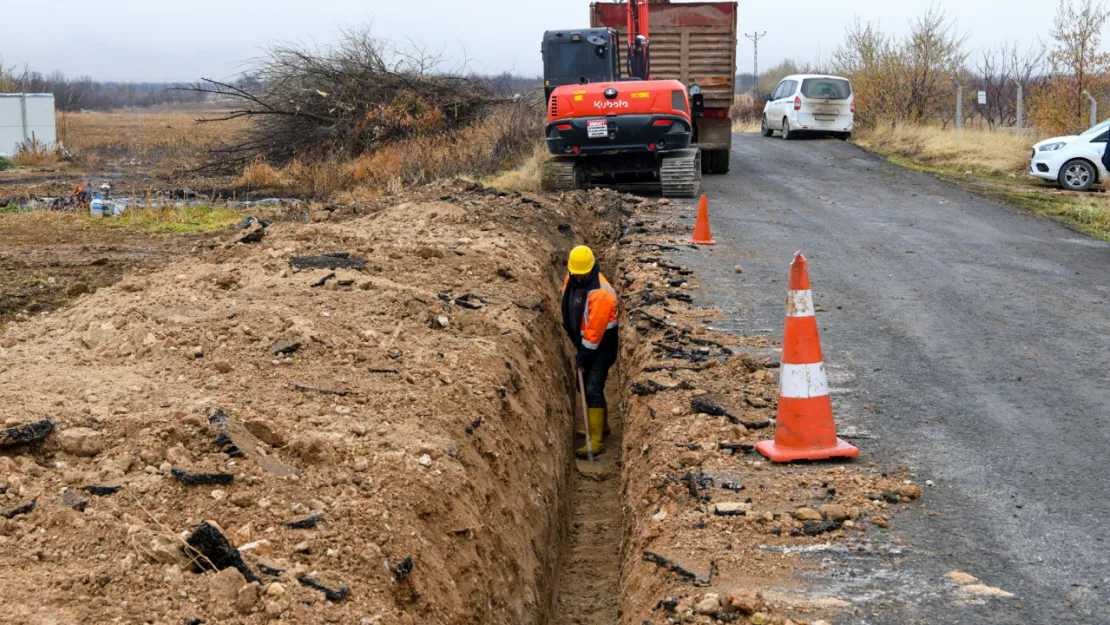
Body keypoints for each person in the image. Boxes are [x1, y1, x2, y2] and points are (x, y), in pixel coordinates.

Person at [561, 245, 619, 458]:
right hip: (585, 342)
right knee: (585, 385)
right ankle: (599, 426)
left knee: (593, 386)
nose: (577, 277)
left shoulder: (601, 294)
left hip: (602, 345)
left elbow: (595, 332)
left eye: (580, 274)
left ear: (591, 269)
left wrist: (583, 356)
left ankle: (596, 440)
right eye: (574, 273)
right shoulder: (573, 278)